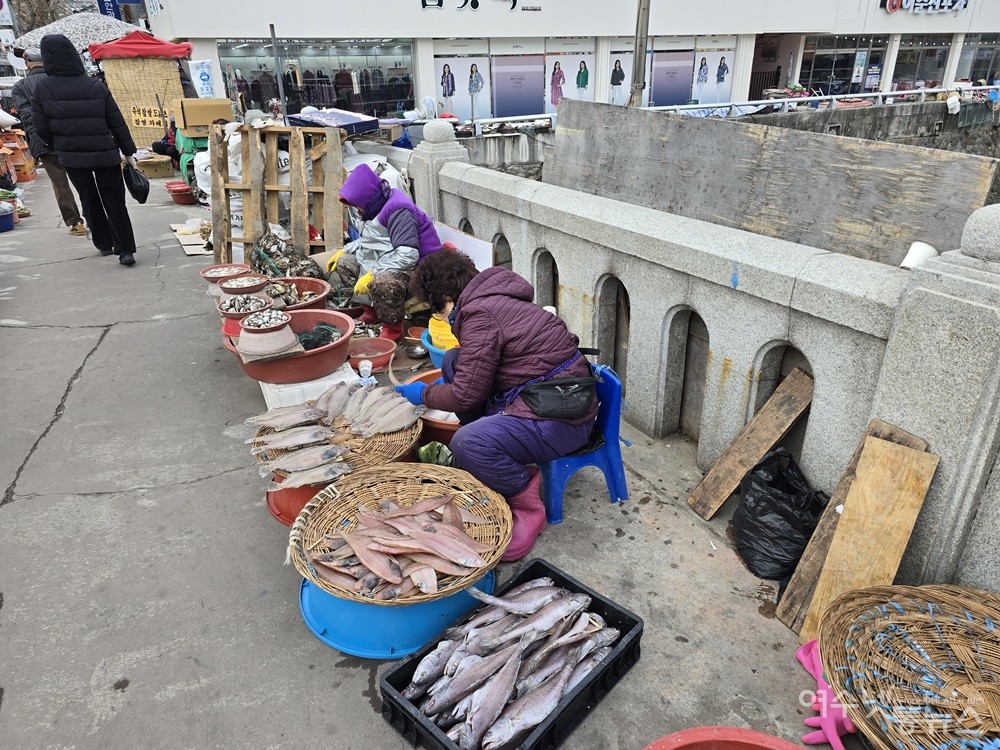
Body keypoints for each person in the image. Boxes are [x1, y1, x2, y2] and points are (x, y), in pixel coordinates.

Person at [396, 251, 598, 561]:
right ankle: (490, 454)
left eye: (437, 310)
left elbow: (465, 397)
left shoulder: (480, 314)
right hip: (545, 398)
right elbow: (472, 374)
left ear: (447, 298)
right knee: (452, 361)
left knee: (467, 442)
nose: (441, 318)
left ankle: (527, 504)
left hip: (562, 419)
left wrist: (423, 394)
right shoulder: (493, 300)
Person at [31, 34, 138, 266]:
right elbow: (116, 121)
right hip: (104, 153)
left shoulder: (42, 89)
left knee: (88, 198)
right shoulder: (94, 85)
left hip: (71, 155)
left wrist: (58, 144)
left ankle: (104, 243)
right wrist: (128, 151)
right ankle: (126, 250)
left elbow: (40, 126)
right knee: (114, 200)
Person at [327, 163, 441, 340]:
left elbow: (407, 255)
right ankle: (371, 311)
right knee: (345, 263)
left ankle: (392, 328)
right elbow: (370, 241)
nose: (357, 209)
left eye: (358, 205)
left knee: (384, 282)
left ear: (367, 198)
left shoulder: (398, 210)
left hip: (420, 268)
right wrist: (344, 250)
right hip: (389, 257)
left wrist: (373, 274)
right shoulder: (375, 206)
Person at [10, 48, 86, 237]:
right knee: (83, 179)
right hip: (70, 137)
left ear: (27, 63)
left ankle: (76, 223)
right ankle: (93, 215)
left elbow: (26, 116)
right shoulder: (61, 80)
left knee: (60, 184)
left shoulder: (20, 86)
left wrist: (42, 135)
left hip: (43, 142)